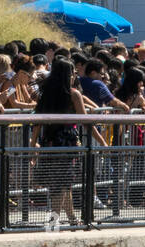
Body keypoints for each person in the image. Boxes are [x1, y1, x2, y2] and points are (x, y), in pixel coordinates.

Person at [32, 57, 106, 227]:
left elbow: (37, 121)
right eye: (72, 73)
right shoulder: (73, 94)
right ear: (67, 74)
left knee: (63, 184)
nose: (74, 76)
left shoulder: (45, 92)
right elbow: (86, 122)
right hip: (66, 142)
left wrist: (33, 146)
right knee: (61, 184)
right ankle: (53, 221)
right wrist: (102, 141)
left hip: (49, 141)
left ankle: (72, 218)